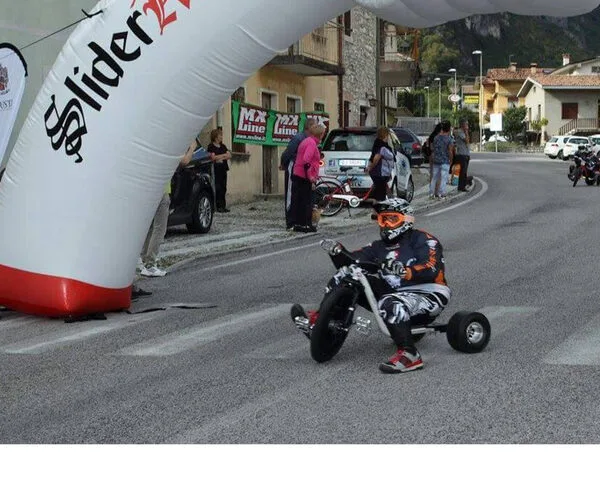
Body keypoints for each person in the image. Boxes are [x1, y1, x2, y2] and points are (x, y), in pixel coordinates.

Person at [293, 198, 450, 373]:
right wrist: (338, 252)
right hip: (392, 291)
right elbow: (354, 261)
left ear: (406, 220)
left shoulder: (424, 240)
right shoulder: (378, 247)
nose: (386, 225)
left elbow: (432, 268)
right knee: (348, 273)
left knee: (390, 302)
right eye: (383, 219)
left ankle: (410, 354)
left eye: (392, 219)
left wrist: (405, 271)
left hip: (428, 292)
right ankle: (321, 323)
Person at [280, 118, 317, 230]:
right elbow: (288, 152)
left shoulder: (311, 139)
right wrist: (284, 164)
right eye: (315, 126)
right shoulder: (298, 138)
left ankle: (300, 221)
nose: (316, 128)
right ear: (309, 127)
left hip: (304, 171)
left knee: (301, 196)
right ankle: (290, 222)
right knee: (291, 194)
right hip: (294, 167)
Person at [290, 124, 326, 232]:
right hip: (304, 176)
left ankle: (299, 224)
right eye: (323, 134)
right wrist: (310, 176)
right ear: (320, 134)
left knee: (300, 200)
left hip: (299, 174)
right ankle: (306, 224)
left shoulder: (307, 141)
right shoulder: (311, 143)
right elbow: (306, 160)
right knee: (307, 201)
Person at [366, 126, 394, 203]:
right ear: (385, 134)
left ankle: (385, 205)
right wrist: (370, 167)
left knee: (381, 192)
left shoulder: (381, 144)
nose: (389, 136)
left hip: (383, 173)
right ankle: (377, 208)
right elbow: (376, 158)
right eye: (388, 134)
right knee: (380, 196)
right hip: (380, 173)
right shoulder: (381, 146)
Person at [207, 128, 232, 213]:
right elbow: (213, 158)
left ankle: (223, 206)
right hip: (216, 169)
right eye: (220, 135)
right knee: (217, 187)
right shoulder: (211, 146)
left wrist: (220, 157)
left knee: (223, 187)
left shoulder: (223, 146)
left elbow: (229, 156)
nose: (221, 137)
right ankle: (217, 206)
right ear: (215, 136)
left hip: (223, 169)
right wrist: (224, 155)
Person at [430, 121, 454, 200]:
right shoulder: (449, 139)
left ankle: (431, 193)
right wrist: (451, 160)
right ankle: (442, 193)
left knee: (434, 177)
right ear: (449, 129)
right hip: (445, 161)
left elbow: (433, 148)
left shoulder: (436, 137)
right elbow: (450, 151)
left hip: (436, 160)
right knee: (444, 178)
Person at [453, 118, 473, 191]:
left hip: (465, 154)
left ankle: (463, 186)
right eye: (466, 124)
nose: (467, 125)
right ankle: (461, 187)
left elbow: (467, 143)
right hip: (461, 154)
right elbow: (467, 141)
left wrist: (468, 155)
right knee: (462, 172)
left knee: (464, 172)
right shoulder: (460, 132)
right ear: (462, 125)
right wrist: (466, 132)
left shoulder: (463, 132)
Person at [423, 122, 442, 198]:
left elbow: (429, 147)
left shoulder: (431, 136)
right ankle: (437, 192)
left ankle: (431, 192)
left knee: (432, 173)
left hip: (431, 155)